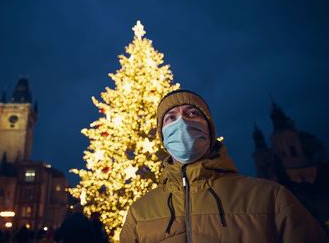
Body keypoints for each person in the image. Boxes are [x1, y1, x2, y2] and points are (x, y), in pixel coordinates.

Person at [120, 90, 328, 243]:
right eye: (171, 117)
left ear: (209, 130)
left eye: (192, 114)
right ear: (162, 136)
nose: (182, 122)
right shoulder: (139, 214)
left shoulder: (271, 198)